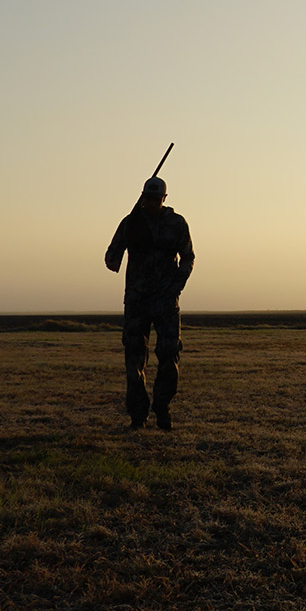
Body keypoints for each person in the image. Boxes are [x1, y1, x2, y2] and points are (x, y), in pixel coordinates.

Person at [103, 176, 195, 430]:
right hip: (137, 301)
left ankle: (162, 409)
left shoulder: (177, 223)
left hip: (166, 302)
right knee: (134, 359)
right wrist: (114, 258)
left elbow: (188, 257)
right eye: (148, 198)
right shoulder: (130, 222)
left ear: (164, 199)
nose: (152, 203)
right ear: (142, 197)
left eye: (156, 199)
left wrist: (176, 286)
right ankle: (138, 415)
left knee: (169, 356)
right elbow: (112, 256)